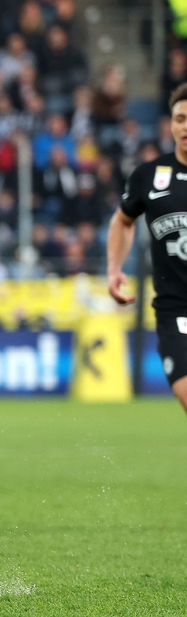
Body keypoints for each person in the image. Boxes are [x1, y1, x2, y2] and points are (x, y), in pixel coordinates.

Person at [108, 82, 187, 414]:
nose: (186, 126)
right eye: (180, 118)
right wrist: (114, 269)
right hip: (176, 311)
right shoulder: (150, 176)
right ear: (170, 123)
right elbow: (123, 221)